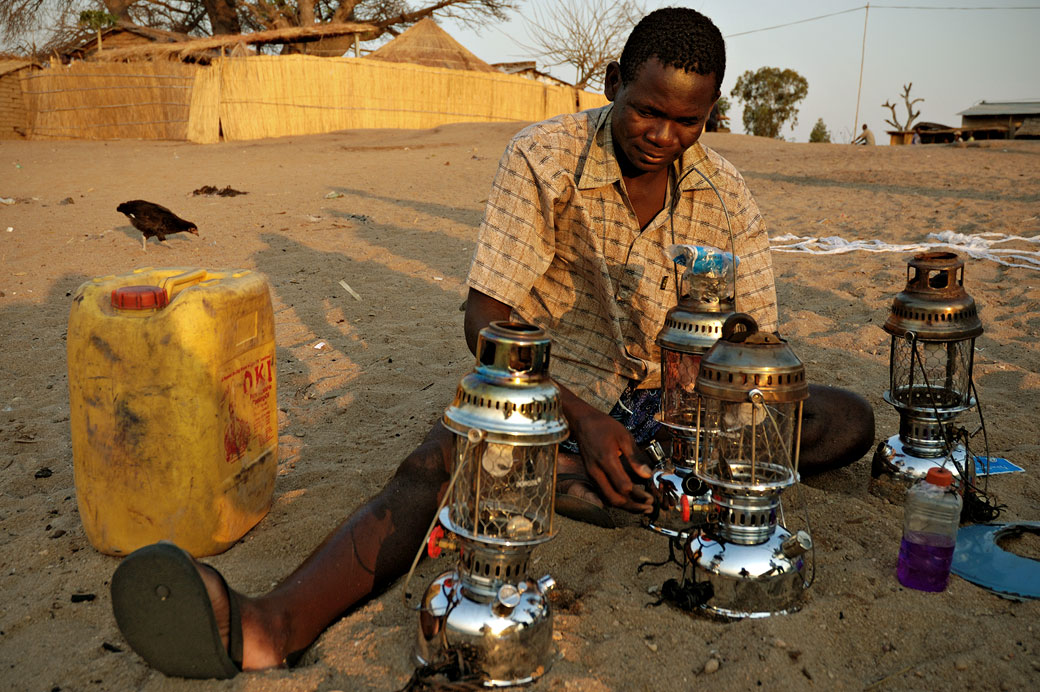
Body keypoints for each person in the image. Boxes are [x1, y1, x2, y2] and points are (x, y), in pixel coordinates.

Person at [109, 8, 875, 679]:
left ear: (710, 113)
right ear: (612, 82)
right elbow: (485, 317)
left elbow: (760, 349)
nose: (664, 136)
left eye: (689, 122)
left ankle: (624, 488)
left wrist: (705, 406)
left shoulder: (728, 197)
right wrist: (580, 417)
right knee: (442, 456)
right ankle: (271, 627)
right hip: (556, 396)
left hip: (678, 420)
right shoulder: (542, 157)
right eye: (649, 112)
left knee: (846, 420)